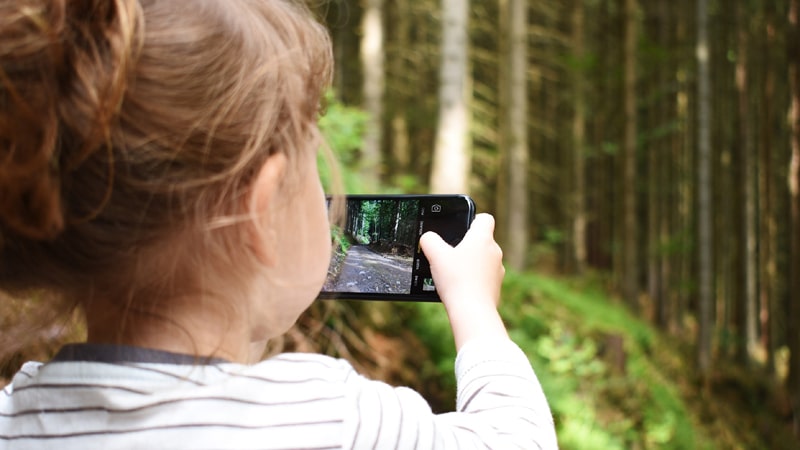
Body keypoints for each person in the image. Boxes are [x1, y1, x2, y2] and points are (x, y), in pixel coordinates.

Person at [0, 0, 558, 448]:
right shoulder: (332, 418)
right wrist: (475, 310)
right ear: (262, 212)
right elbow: (518, 440)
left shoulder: (15, 416)